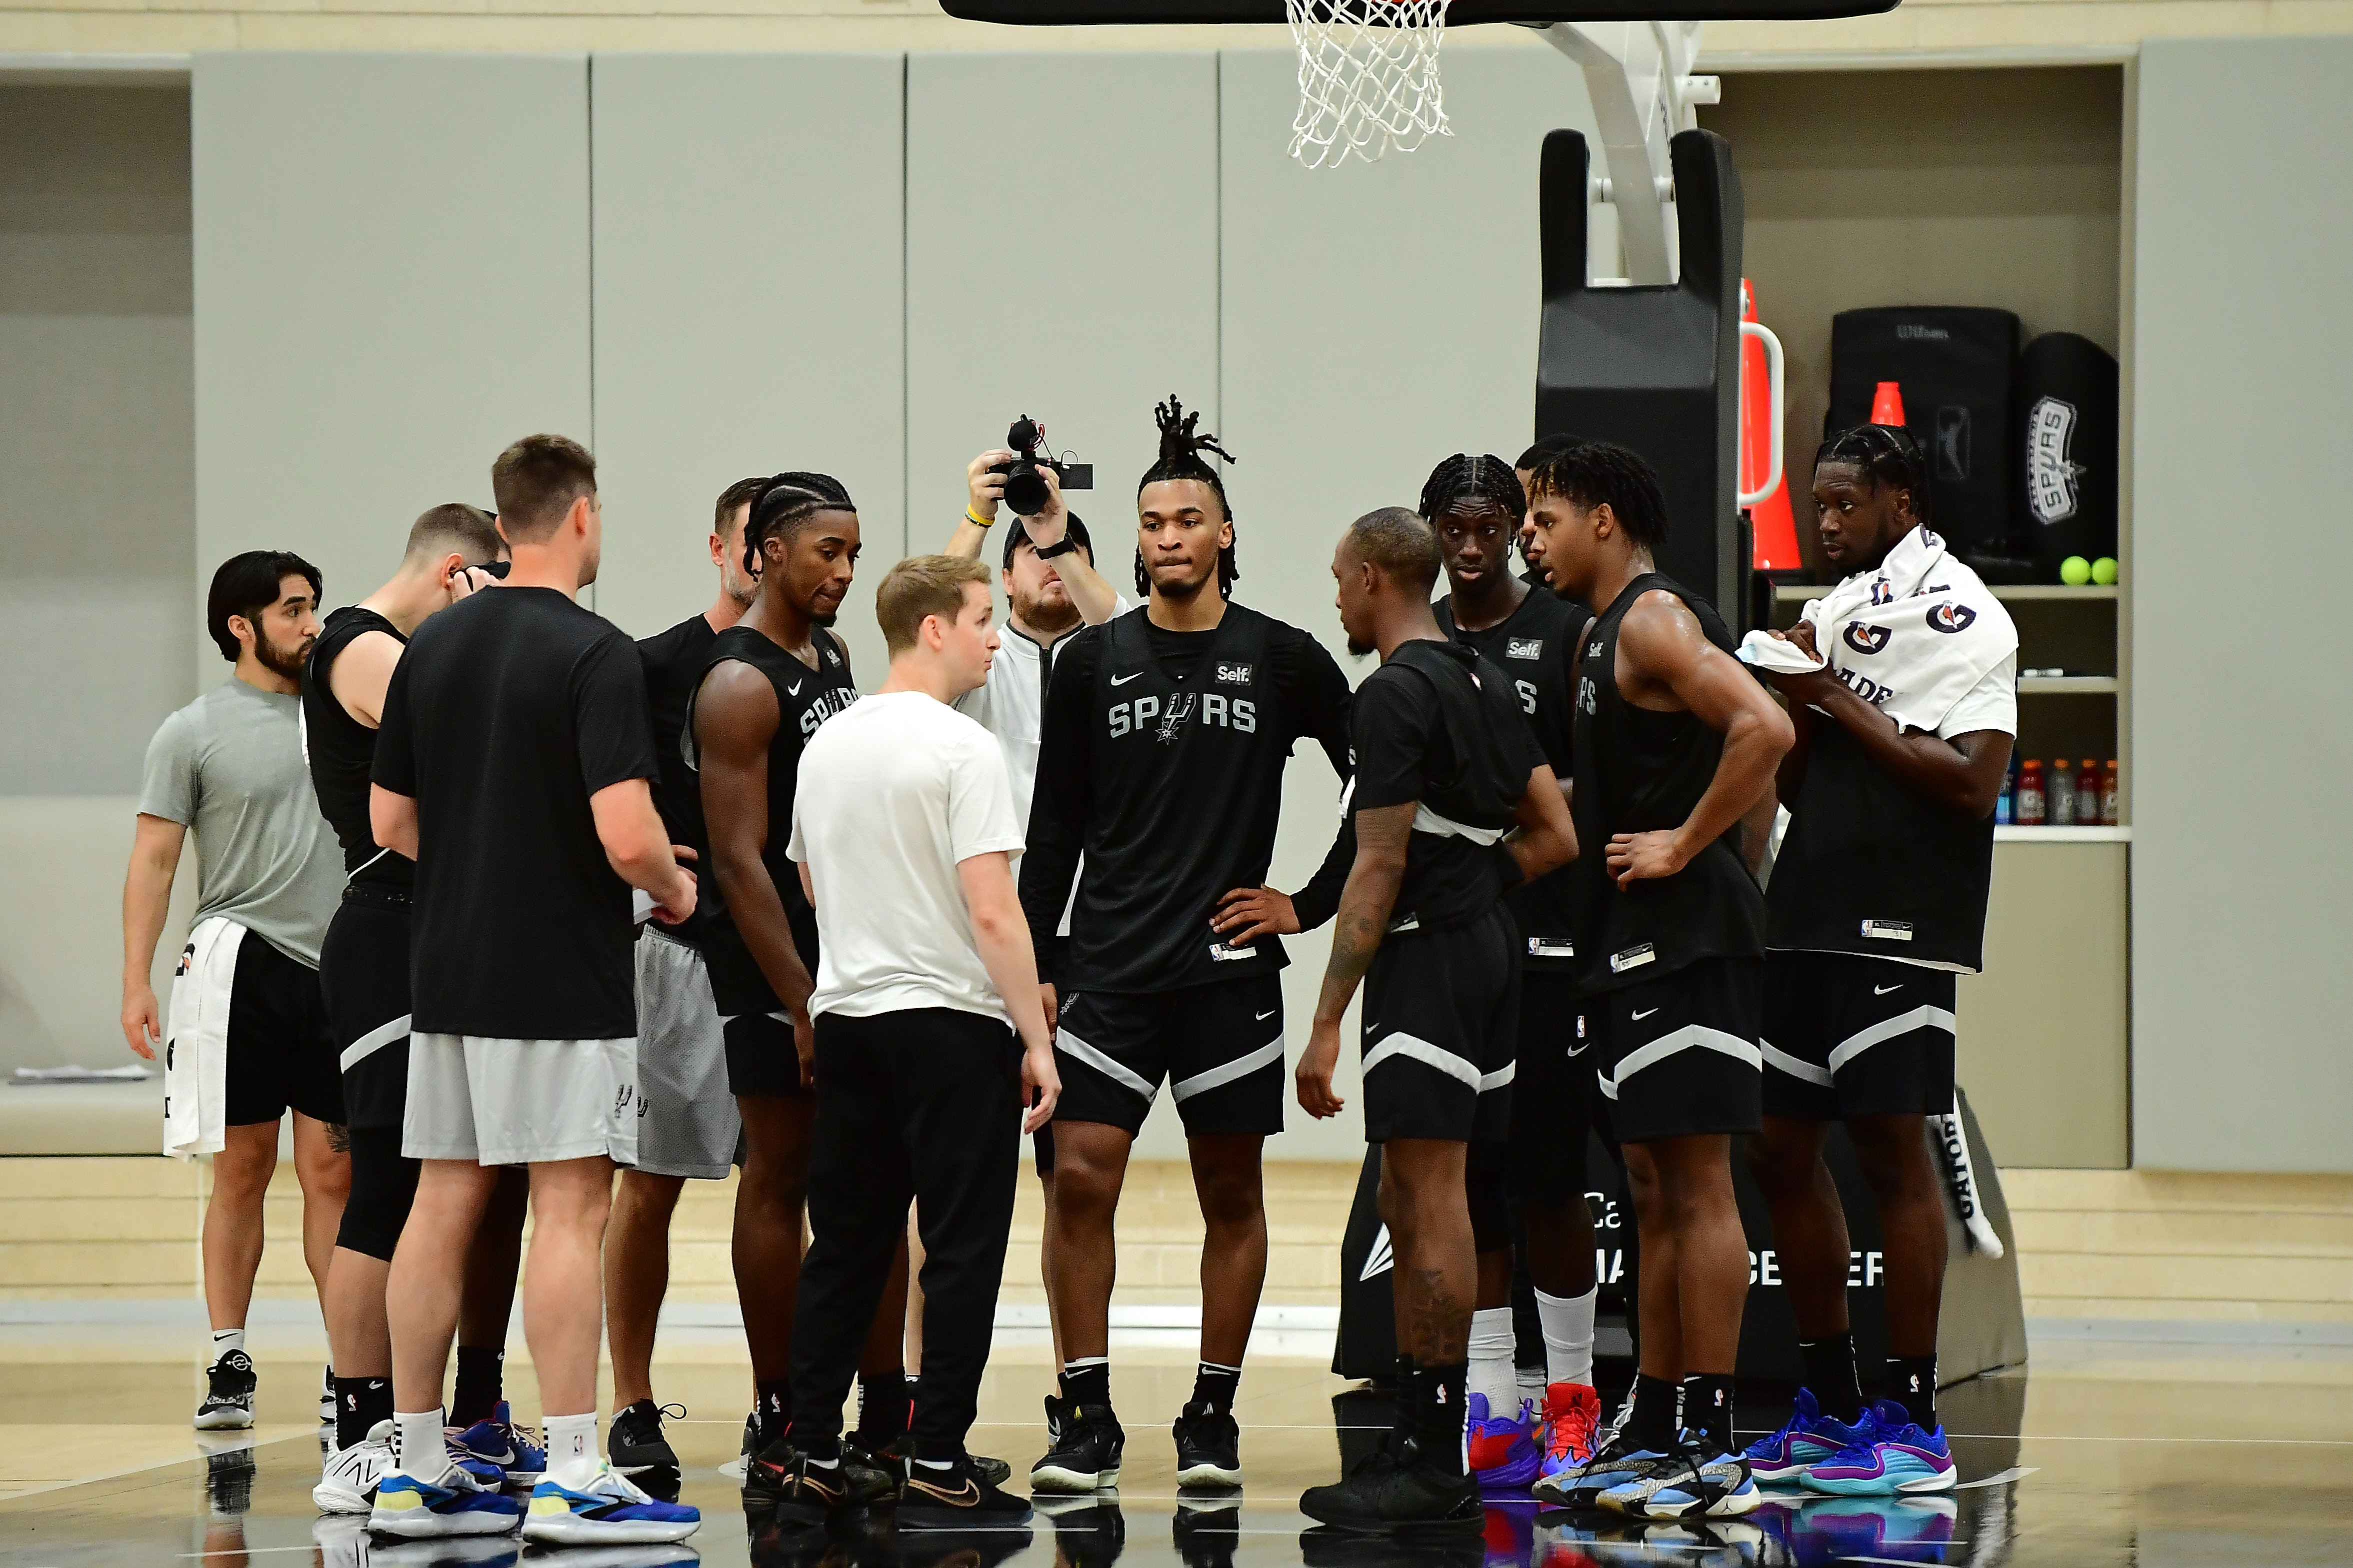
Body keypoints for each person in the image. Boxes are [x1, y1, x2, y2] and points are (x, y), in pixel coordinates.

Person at [367, 434, 700, 1545]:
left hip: (448, 970)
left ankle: (411, 1468)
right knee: (569, 1205)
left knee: (442, 1199)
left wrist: (484, 866)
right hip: (559, 974)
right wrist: (673, 887)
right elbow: (624, 832)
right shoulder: (597, 652)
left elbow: (391, 825)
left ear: (502, 522)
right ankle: (569, 1470)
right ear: (582, 518)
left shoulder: (434, 646)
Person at [1020, 398, 1354, 1493]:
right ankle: (1087, 1413)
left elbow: (1383, 782)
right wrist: (1035, 972)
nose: (1167, 536)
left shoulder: (1285, 659)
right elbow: (1054, 829)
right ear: (1135, 538)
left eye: (1187, 519)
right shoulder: (1087, 662)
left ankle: (1212, 1412)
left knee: (1231, 1194)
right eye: (1151, 521)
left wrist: (1304, 903)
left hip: (1224, 978)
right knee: (1080, 1179)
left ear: (1223, 536)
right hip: (1107, 968)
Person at [1738, 424, 2016, 1497]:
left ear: (1900, 498)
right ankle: (1830, 1401)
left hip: (1902, 918)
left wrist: (1832, 697)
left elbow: (1967, 782)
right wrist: (1790, 698)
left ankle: (1913, 1420)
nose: (1824, 521)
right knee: (1775, 1150)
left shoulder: (1966, 615)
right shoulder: (1835, 615)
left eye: (1845, 503)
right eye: (1816, 503)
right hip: (1804, 906)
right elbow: (1814, 785)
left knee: (1893, 1152)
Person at [1522, 440, 1790, 1521]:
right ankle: (1660, 1412)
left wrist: (1685, 846)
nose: (1528, 540)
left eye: (1543, 518)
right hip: (1629, 947)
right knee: (1649, 1188)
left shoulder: (1651, 618)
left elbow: (1763, 727)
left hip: (1687, 942)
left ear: (1600, 519)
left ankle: (1708, 1441)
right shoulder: (1596, 634)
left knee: (1695, 1185)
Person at [761, 554, 1059, 1529]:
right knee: (961, 1247)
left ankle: (808, 1452)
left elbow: (809, 885)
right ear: (932, 629)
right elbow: (994, 912)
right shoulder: (964, 750)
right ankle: (937, 1459)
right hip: (951, 1026)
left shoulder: (827, 745)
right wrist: (1036, 1040)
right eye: (982, 619)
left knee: (844, 1245)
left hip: (849, 1021)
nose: (994, 637)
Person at [1295, 507, 1577, 1531]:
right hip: (1490, 951)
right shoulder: (1483, 676)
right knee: (1443, 1194)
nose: (1334, 598)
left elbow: (1375, 871)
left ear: (1375, 579)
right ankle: (1438, 1441)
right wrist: (1476, 888)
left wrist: (1325, 1021)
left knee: (1423, 1194)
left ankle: (1428, 1453)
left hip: (1428, 957)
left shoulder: (1391, 695)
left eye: (1338, 579)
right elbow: (1554, 835)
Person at [304, 505, 536, 1513]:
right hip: (387, 930)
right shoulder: (361, 644)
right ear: (455, 574)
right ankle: (357, 1431)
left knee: (478, 1180)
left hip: (448, 930)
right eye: (490, 591)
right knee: (389, 1183)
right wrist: (490, 636)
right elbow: (469, 740)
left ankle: (452, 1415)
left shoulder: (408, 645)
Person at [687, 472, 916, 1480]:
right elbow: (738, 859)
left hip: (844, 955)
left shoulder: (827, 654)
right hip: (770, 970)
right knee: (782, 1176)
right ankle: (777, 1411)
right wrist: (800, 998)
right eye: (828, 551)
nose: (845, 570)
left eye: (855, 553)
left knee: (869, 1182)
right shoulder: (737, 682)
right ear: (767, 552)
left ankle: (882, 1413)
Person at [124, 549, 348, 1431]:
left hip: (339, 973)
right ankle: (228, 1355)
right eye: (292, 610)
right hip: (241, 968)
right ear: (240, 626)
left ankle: (351, 1366)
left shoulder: (346, 714)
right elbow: (153, 857)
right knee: (243, 1171)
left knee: (336, 1169)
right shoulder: (192, 729)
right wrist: (135, 979)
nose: (311, 624)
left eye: (314, 607)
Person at [1423, 454, 1604, 1490]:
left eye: (1489, 521)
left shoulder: (1564, 630)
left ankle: (1572, 1404)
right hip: (1454, 945)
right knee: (1475, 1181)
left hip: (1547, 939)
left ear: (1514, 529)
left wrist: (1524, 813)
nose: (1472, 538)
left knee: (1549, 1179)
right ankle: (1492, 1408)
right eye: (1453, 523)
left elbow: (1600, 776)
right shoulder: (1426, 639)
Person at [945, 440, 1132, 1406]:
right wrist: (982, 521)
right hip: (982, 935)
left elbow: (1132, 625)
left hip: (1091, 938)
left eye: (1059, 556)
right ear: (1002, 575)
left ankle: (1078, 1385)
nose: (1045, 570)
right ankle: (927, 1407)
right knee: (957, 1186)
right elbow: (927, 614)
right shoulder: (978, 656)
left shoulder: (1113, 660)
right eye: (1027, 555)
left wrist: (1057, 539)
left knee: (1072, 1183)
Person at [604, 475, 766, 1483]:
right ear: (718, 549)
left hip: (785, 958)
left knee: (788, 1184)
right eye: (751, 540)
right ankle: (628, 1403)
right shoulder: (651, 664)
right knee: (649, 1184)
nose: (765, 558)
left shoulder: (816, 666)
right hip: (678, 956)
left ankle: (782, 1402)